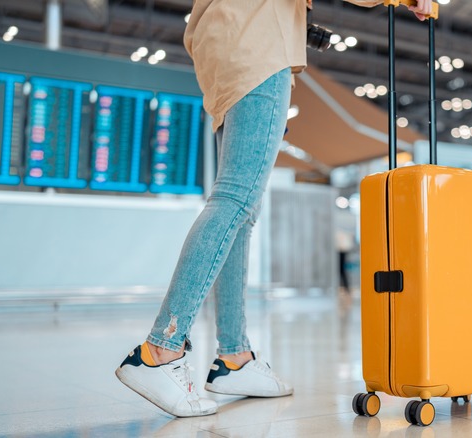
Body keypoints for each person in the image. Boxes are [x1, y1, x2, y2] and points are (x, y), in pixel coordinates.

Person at [115, 0, 434, 418]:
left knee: (240, 212)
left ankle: (235, 358)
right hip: (259, 45)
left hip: (223, 46)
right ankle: (160, 349)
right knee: (234, 199)